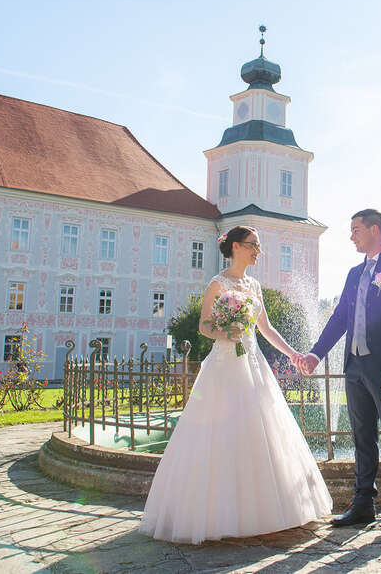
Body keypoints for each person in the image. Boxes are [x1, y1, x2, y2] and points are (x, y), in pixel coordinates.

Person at [139, 226, 333, 544]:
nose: (258, 251)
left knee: (262, 431)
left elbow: (266, 328)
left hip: (253, 364)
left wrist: (294, 353)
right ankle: (220, 514)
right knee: (220, 433)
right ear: (235, 248)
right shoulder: (218, 283)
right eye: (253, 245)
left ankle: (266, 512)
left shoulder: (254, 285)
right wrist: (225, 332)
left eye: (259, 246)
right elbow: (204, 324)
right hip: (224, 365)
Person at [297, 209, 381, 537]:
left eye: (356, 230)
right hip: (355, 368)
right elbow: (339, 318)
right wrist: (315, 353)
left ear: (375, 229)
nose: (351, 236)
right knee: (362, 438)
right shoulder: (353, 274)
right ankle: (363, 504)